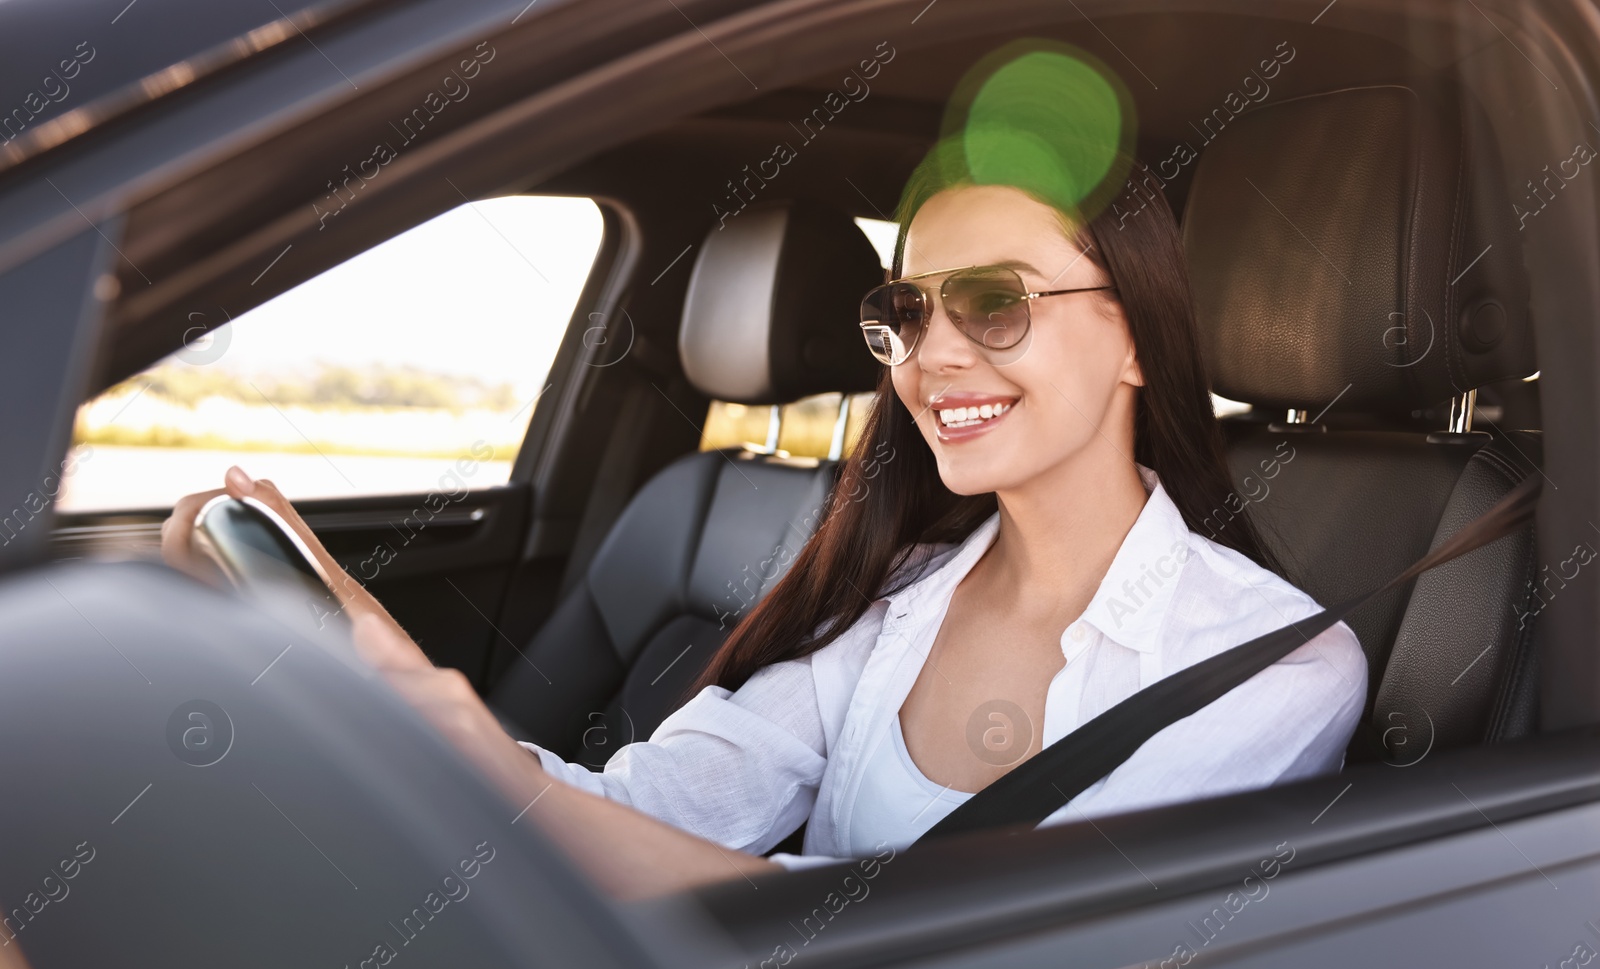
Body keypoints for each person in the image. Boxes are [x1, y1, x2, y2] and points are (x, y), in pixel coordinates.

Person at [162, 153, 1366, 899]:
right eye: (904, 310)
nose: (932, 355)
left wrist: (480, 763)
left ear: (1140, 338)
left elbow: (988, 960)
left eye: (994, 303)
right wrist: (383, 669)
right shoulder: (893, 592)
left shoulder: (1273, 664)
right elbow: (647, 818)